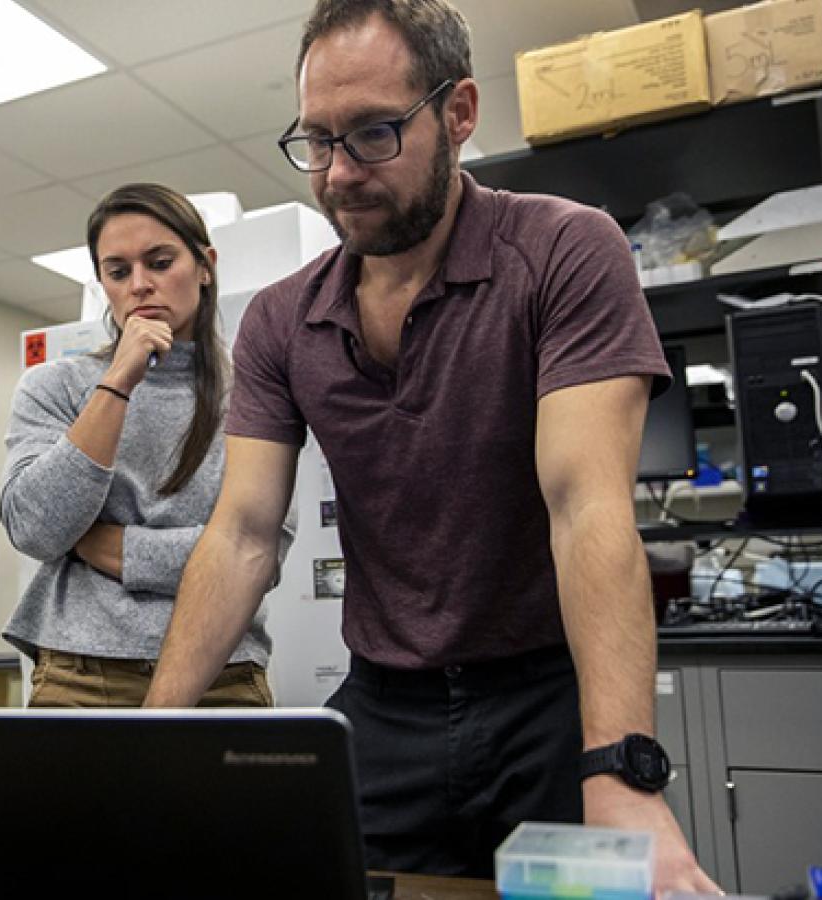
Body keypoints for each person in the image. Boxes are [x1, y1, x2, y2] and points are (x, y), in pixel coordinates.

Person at [142, 0, 719, 893]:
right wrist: (151, 742)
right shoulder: (280, 321)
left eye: (373, 134)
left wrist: (620, 769)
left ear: (458, 113)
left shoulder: (565, 251)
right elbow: (244, 533)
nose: (337, 174)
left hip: (547, 701)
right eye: (316, 140)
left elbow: (585, 507)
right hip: (384, 709)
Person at [0, 183, 291, 707]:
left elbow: (259, 555)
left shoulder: (256, 391)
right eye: (118, 271)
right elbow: (37, 529)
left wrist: (104, 546)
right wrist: (117, 382)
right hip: (81, 676)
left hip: (223, 672)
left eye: (160, 262)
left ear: (206, 265)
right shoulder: (56, 386)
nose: (140, 285)